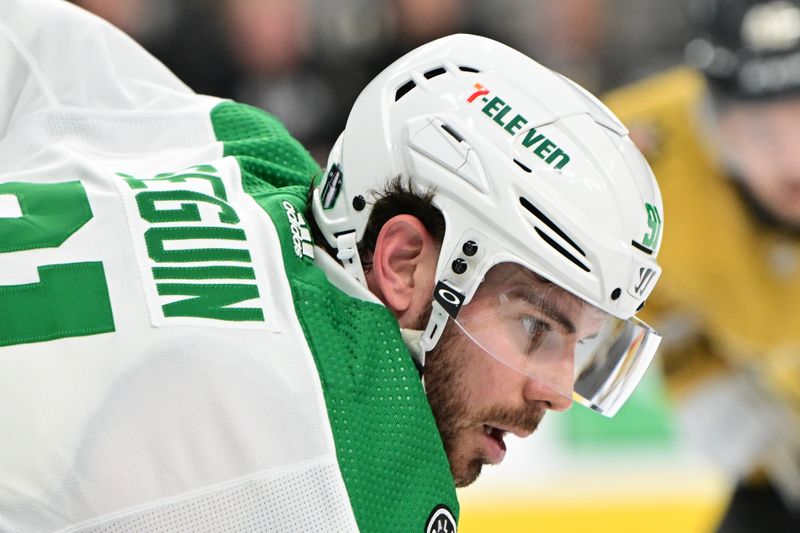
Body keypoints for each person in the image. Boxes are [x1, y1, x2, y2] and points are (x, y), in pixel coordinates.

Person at [0, 0, 663, 531]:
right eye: (537, 327)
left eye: (582, 340)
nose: (556, 387)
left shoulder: (235, 146)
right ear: (403, 261)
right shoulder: (356, 480)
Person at [604, 1, 800, 532]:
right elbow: (653, 309)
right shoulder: (632, 154)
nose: (792, 160)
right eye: (761, 130)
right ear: (713, 121)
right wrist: (732, 417)